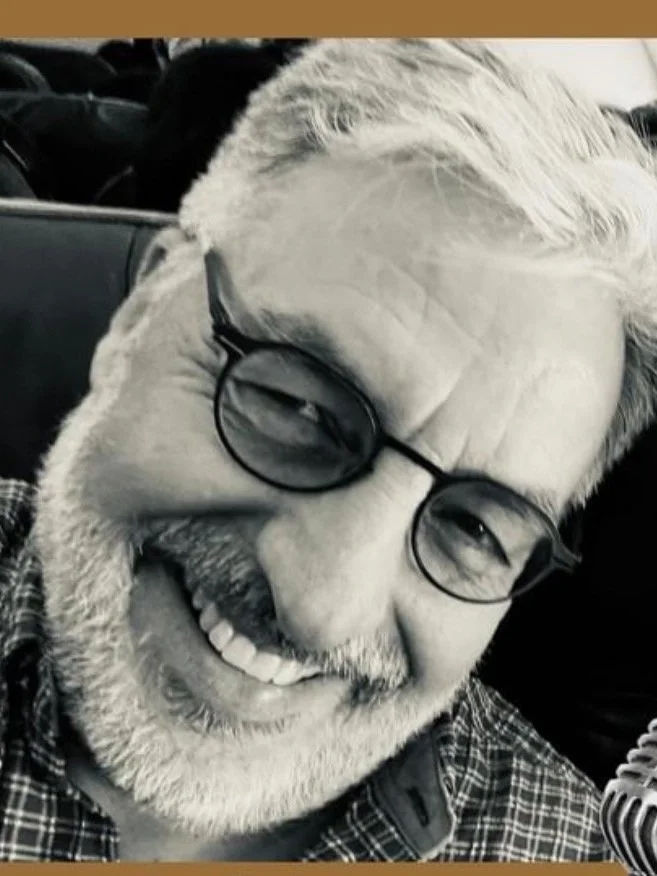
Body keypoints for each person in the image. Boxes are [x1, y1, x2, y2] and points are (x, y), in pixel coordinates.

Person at [2, 37, 657, 862]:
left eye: (475, 530)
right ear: (139, 315)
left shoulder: (558, 845)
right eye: (294, 407)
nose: (320, 607)